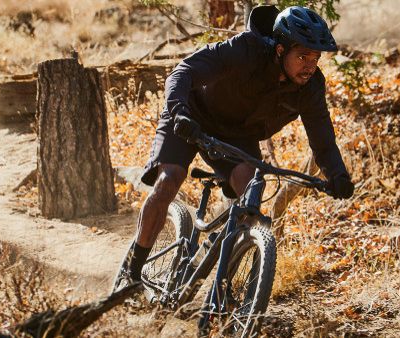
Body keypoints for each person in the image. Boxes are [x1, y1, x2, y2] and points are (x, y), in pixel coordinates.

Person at [114, 5, 354, 291]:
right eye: (303, 56)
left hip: (236, 136)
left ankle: (226, 288)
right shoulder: (245, 50)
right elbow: (183, 72)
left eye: (315, 58)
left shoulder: (311, 86)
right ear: (280, 50)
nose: (310, 65)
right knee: (169, 181)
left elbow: (323, 138)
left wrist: (337, 175)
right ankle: (132, 272)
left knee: (251, 196)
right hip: (190, 115)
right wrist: (179, 112)